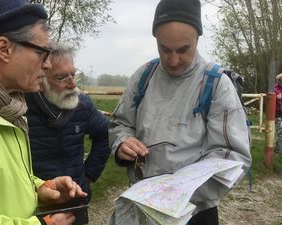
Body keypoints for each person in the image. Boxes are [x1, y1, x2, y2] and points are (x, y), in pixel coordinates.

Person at [108, 0, 252, 224]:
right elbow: (119, 124)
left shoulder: (216, 85)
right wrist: (122, 142)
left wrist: (173, 194)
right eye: (165, 50)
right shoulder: (143, 76)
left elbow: (233, 157)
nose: (173, 60)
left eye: (183, 50)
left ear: (197, 38)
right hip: (142, 207)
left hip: (194, 213)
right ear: (156, 39)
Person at [0, 1, 87, 225]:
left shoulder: (8, 107)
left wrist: (39, 188)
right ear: (4, 48)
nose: (48, 65)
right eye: (42, 53)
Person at [25, 42, 111, 202]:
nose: (72, 84)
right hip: (35, 202)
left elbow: (105, 132)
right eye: (61, 77)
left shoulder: (82, 105)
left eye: (73, 74)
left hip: (76, 198)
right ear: (41, 81)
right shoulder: (20, 109)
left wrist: (88, 176)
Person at [274, 73, 282, 154]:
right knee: (280, 132)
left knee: (280, 132)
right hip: (277, 113)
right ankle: (280, 151)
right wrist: (276, 98)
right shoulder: (274, 89)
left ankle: (277, 149)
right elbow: (269, 101)